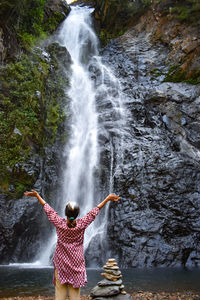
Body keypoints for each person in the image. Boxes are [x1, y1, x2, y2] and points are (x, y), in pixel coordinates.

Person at [24, 189, 120, 300]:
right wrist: (107, 199)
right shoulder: (82, 224)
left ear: (65, 213)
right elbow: (94, 212)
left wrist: (37, 195)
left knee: (60, 294)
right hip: (76, 265)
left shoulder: (59, 223)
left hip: (61, 264)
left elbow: (48, 210)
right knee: (75, 295)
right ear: (78, 214)